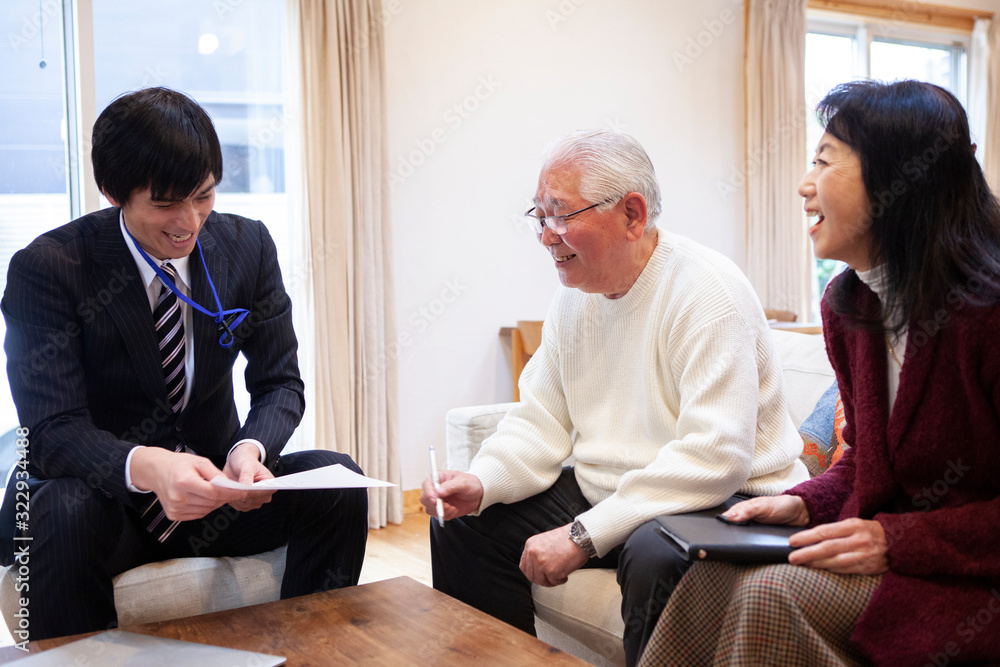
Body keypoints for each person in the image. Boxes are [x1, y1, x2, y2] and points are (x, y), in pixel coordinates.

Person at [639, 80, 1000, 667]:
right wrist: (805, 503)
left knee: (774, 594)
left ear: (900, 178)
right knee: (706, 575)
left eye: (824, 162)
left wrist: (896, 541)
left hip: (968, 578)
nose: (805, 185)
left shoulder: (987, 311)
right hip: (898, 556)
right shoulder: (849, 304)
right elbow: (864, 460)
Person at [420, 129, 809, 666]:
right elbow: (540, 420)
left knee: (656, 555)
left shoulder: (706, 291)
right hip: (617, 494)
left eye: (561, 215)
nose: (546, 236)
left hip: (730, 499)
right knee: (465, 524)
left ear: (632, 214)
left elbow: (715, 457)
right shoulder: (573, 299)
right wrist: (483, 480)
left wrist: (583, 535)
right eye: (539, 215)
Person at [0, 87, 368, 640]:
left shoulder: (247, 246)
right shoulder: (50, 268)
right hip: (109, 502)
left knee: (338, 481)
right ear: (113, 193)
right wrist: (151, 467)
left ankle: (312, 649)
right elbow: (52, 430)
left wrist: (249, 451)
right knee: (63, 508)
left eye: (203, 196)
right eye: (166, 203)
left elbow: (280, 383)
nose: (189, 222)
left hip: (214, 489)